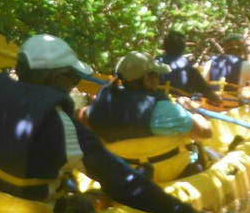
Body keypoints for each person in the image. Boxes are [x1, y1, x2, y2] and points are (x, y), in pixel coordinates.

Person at [0, 34, 219, 213]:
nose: (74, 85)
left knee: (71, 182)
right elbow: (122, 183)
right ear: (58, 80)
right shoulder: (59, 122)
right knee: (83, 202)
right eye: (72, 79)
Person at [81, 51, 213, 182]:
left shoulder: (101, 107)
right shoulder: (165, 110)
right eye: (156, 75)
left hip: (125, 176)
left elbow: (81, 118)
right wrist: (190, 110)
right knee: (201, 151)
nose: (159, 80)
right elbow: (206, 132)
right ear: (147, 78)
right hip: (172, 173)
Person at [156, 30, 222, 106]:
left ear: (165, 46)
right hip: (179, 107)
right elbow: (207, 92)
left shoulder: (154, 63)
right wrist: (219, 99)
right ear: (183, 47)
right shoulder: (188, 68)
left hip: (154, 105)